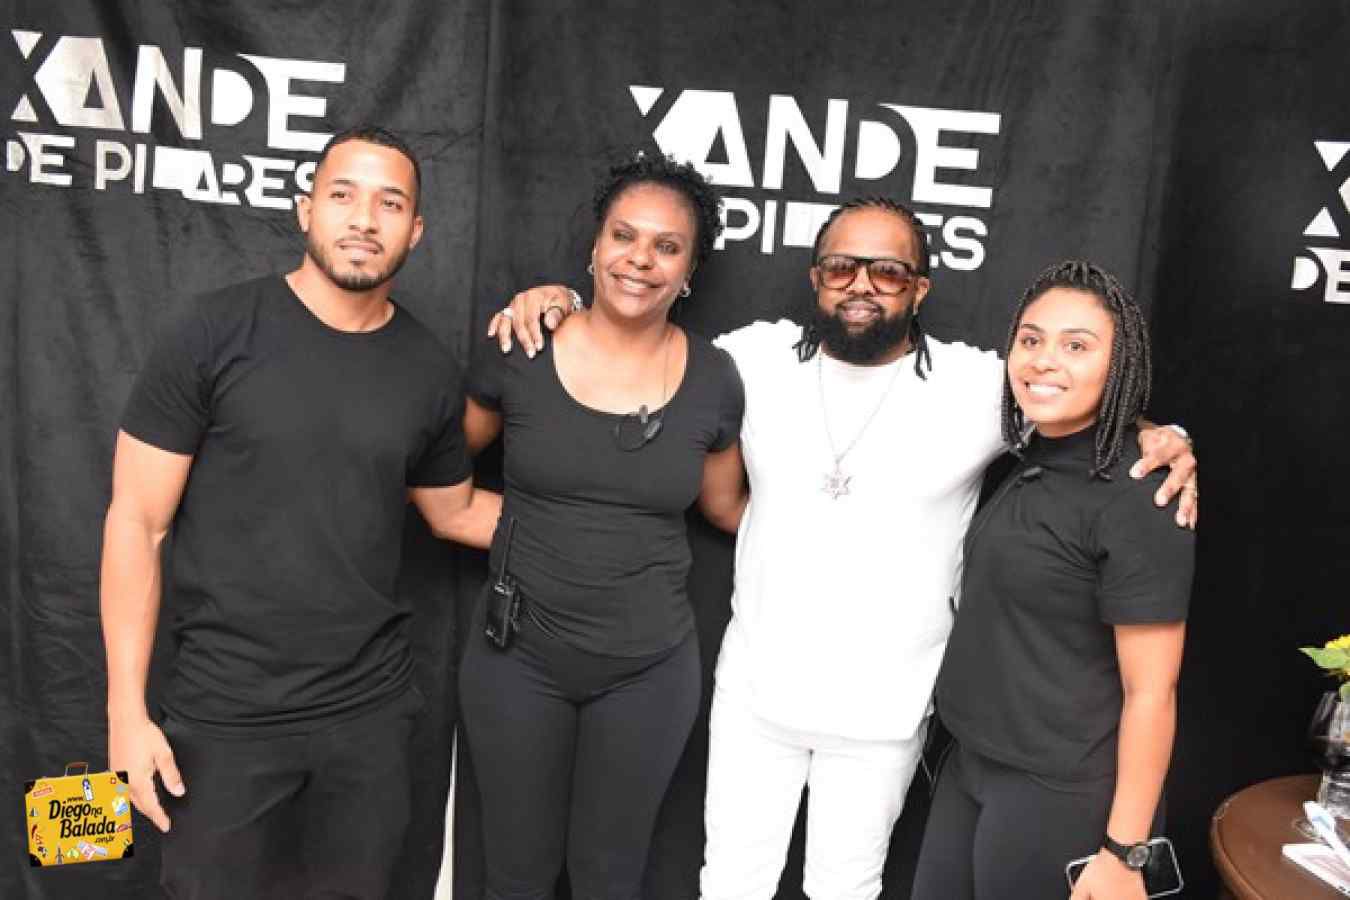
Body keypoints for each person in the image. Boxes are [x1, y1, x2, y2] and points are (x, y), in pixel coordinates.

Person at [491, 197, 1198, 900]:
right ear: (815, 278)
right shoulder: (752, 359)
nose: (861, 285)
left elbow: (1077, 403)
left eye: (888, 272)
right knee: (729, 884)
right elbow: (641, 349)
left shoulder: (981, 387)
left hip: (885, 714)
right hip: (756, 696)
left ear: (920, 288)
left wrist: (1165, 438)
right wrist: (560, 303)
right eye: (841, 268)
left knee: (846, 889)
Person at [100, 125, 500, 900]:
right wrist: (125, 714)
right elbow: (136, 524)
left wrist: (600, 527)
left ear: (416, 230)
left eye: (390, 203)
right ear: (305, 208)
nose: (364, 219)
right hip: (224, 714)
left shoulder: (426, 368)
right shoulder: (212, 331)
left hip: (367, 719)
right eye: (343, 195)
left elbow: (453, 512)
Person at [456, 153, 748, 900]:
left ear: (690, 271)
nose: (640, 259)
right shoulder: (522, 347)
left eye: (667, 246)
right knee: (515, 876)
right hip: (517, 660)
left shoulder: (715, 379)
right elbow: (439, 474)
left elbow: (725, 508)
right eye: (624, 235)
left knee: (609, 879)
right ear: (594, 246)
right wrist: (529, 532)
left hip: (648, 671)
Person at [910, 261, 1193, 900]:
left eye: (1076, 346)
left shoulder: (1141, 494)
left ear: (1119, 365)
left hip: (1060, 794)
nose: (1044, 360)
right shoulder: (1029, 453)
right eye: (1031, 339)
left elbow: (1153, 691)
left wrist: (1124, 851)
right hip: (973, 765)